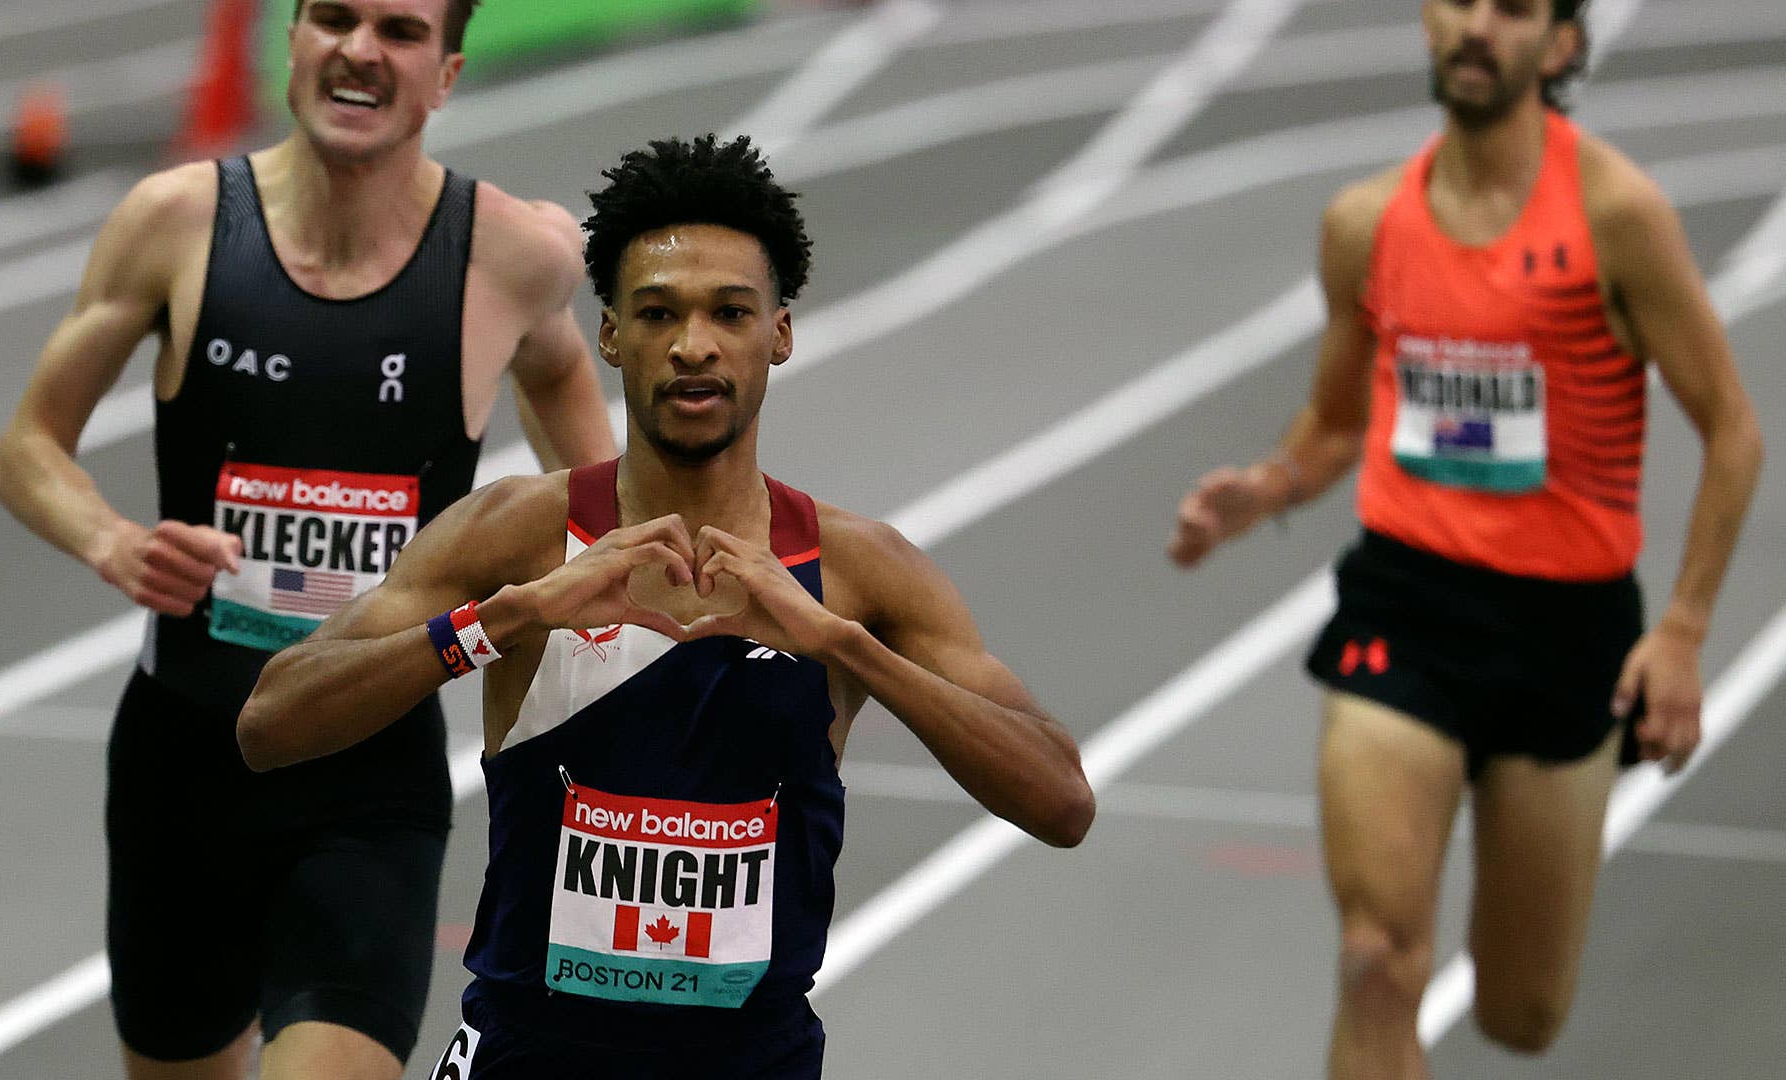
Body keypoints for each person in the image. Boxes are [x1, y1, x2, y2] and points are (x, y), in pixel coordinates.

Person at [235, 133, 1097, 1078]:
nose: (694, 345)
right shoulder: (517, 535)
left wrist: (841, 645)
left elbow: (1061, 802)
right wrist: (503, 624)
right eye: (658, 313)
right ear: (610, 333)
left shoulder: (854, 572)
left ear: (780, 331)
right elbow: (271, 723)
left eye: (730, 312)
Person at [0, 0, 618, 1076]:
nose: (360, 49)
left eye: (400, 30)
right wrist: (110, 541)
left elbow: (570, 402)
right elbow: (28, 447)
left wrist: (597, 570)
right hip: (182, 762)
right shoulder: (177, 222)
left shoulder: (507, 257)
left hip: (369, 776)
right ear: (293, 40)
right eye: (333, 17)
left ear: (447, 73)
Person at [1165, 1, 1763, 1076]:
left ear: (1563, 44)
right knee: (1377, 959)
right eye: (1460, 0)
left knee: (1521, 1013)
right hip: (1407, 605)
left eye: (1516, 8)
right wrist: (1265, 487)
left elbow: (1732, 430)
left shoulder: (1616, 213)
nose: (1478, 25)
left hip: (1564, 628)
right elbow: (1341, 420)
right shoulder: (1367, 223)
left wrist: (1679, 631)